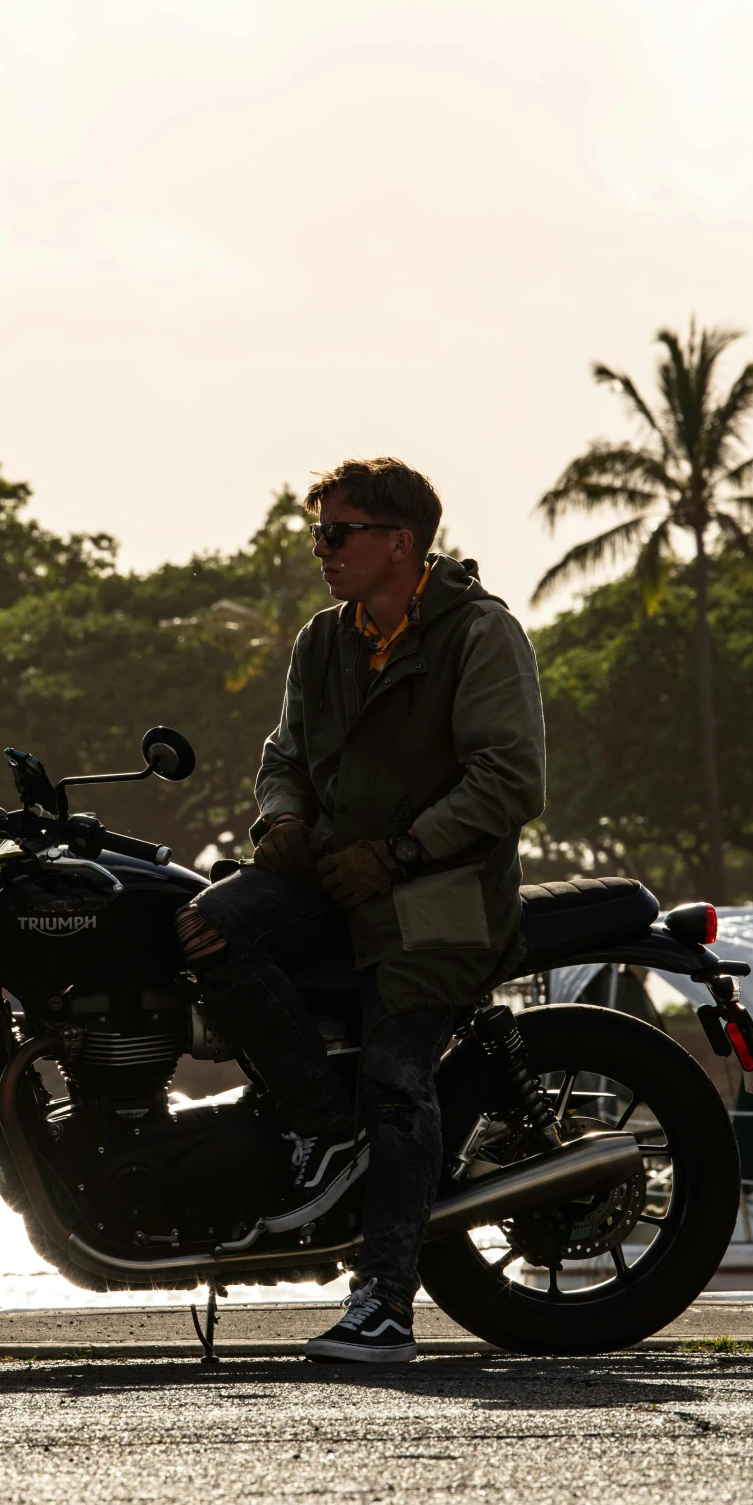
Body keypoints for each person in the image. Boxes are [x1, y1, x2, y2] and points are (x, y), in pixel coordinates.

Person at [173, 457, 545, 1365]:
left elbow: (509, 780)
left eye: (338, 533)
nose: (322, 549)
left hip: (437, 894)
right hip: (335, 876)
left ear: (399, 543)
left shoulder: (479, 636)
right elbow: (283, 753)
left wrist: (401, 851)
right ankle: (317, 1129)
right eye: (318, 533)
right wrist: (284, 818)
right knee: (201, 923)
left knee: (395, 1073)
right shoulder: (322, 639)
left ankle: (383, 1305)